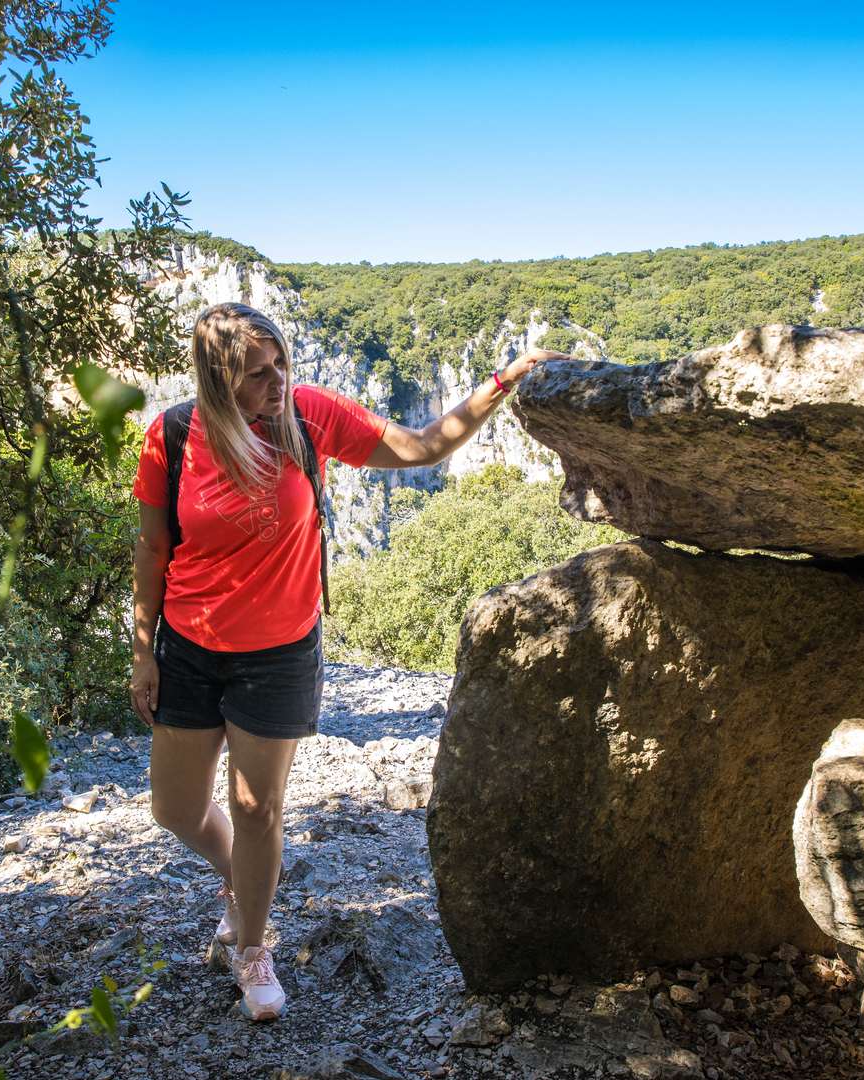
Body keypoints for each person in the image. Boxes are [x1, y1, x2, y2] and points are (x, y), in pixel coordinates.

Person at [129, 301, 565, 1021]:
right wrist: (143, 651)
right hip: (189, 646)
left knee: (257, 807)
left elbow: (425, 445)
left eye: (282, 365)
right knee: (174, 808)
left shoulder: (310, 415)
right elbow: (150, 550)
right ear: (217, 379)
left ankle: (252, 947)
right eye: (258, 373)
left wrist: (503, 380)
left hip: (278, 651)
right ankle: (238, 881)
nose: (279, 381)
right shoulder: (172, 435)